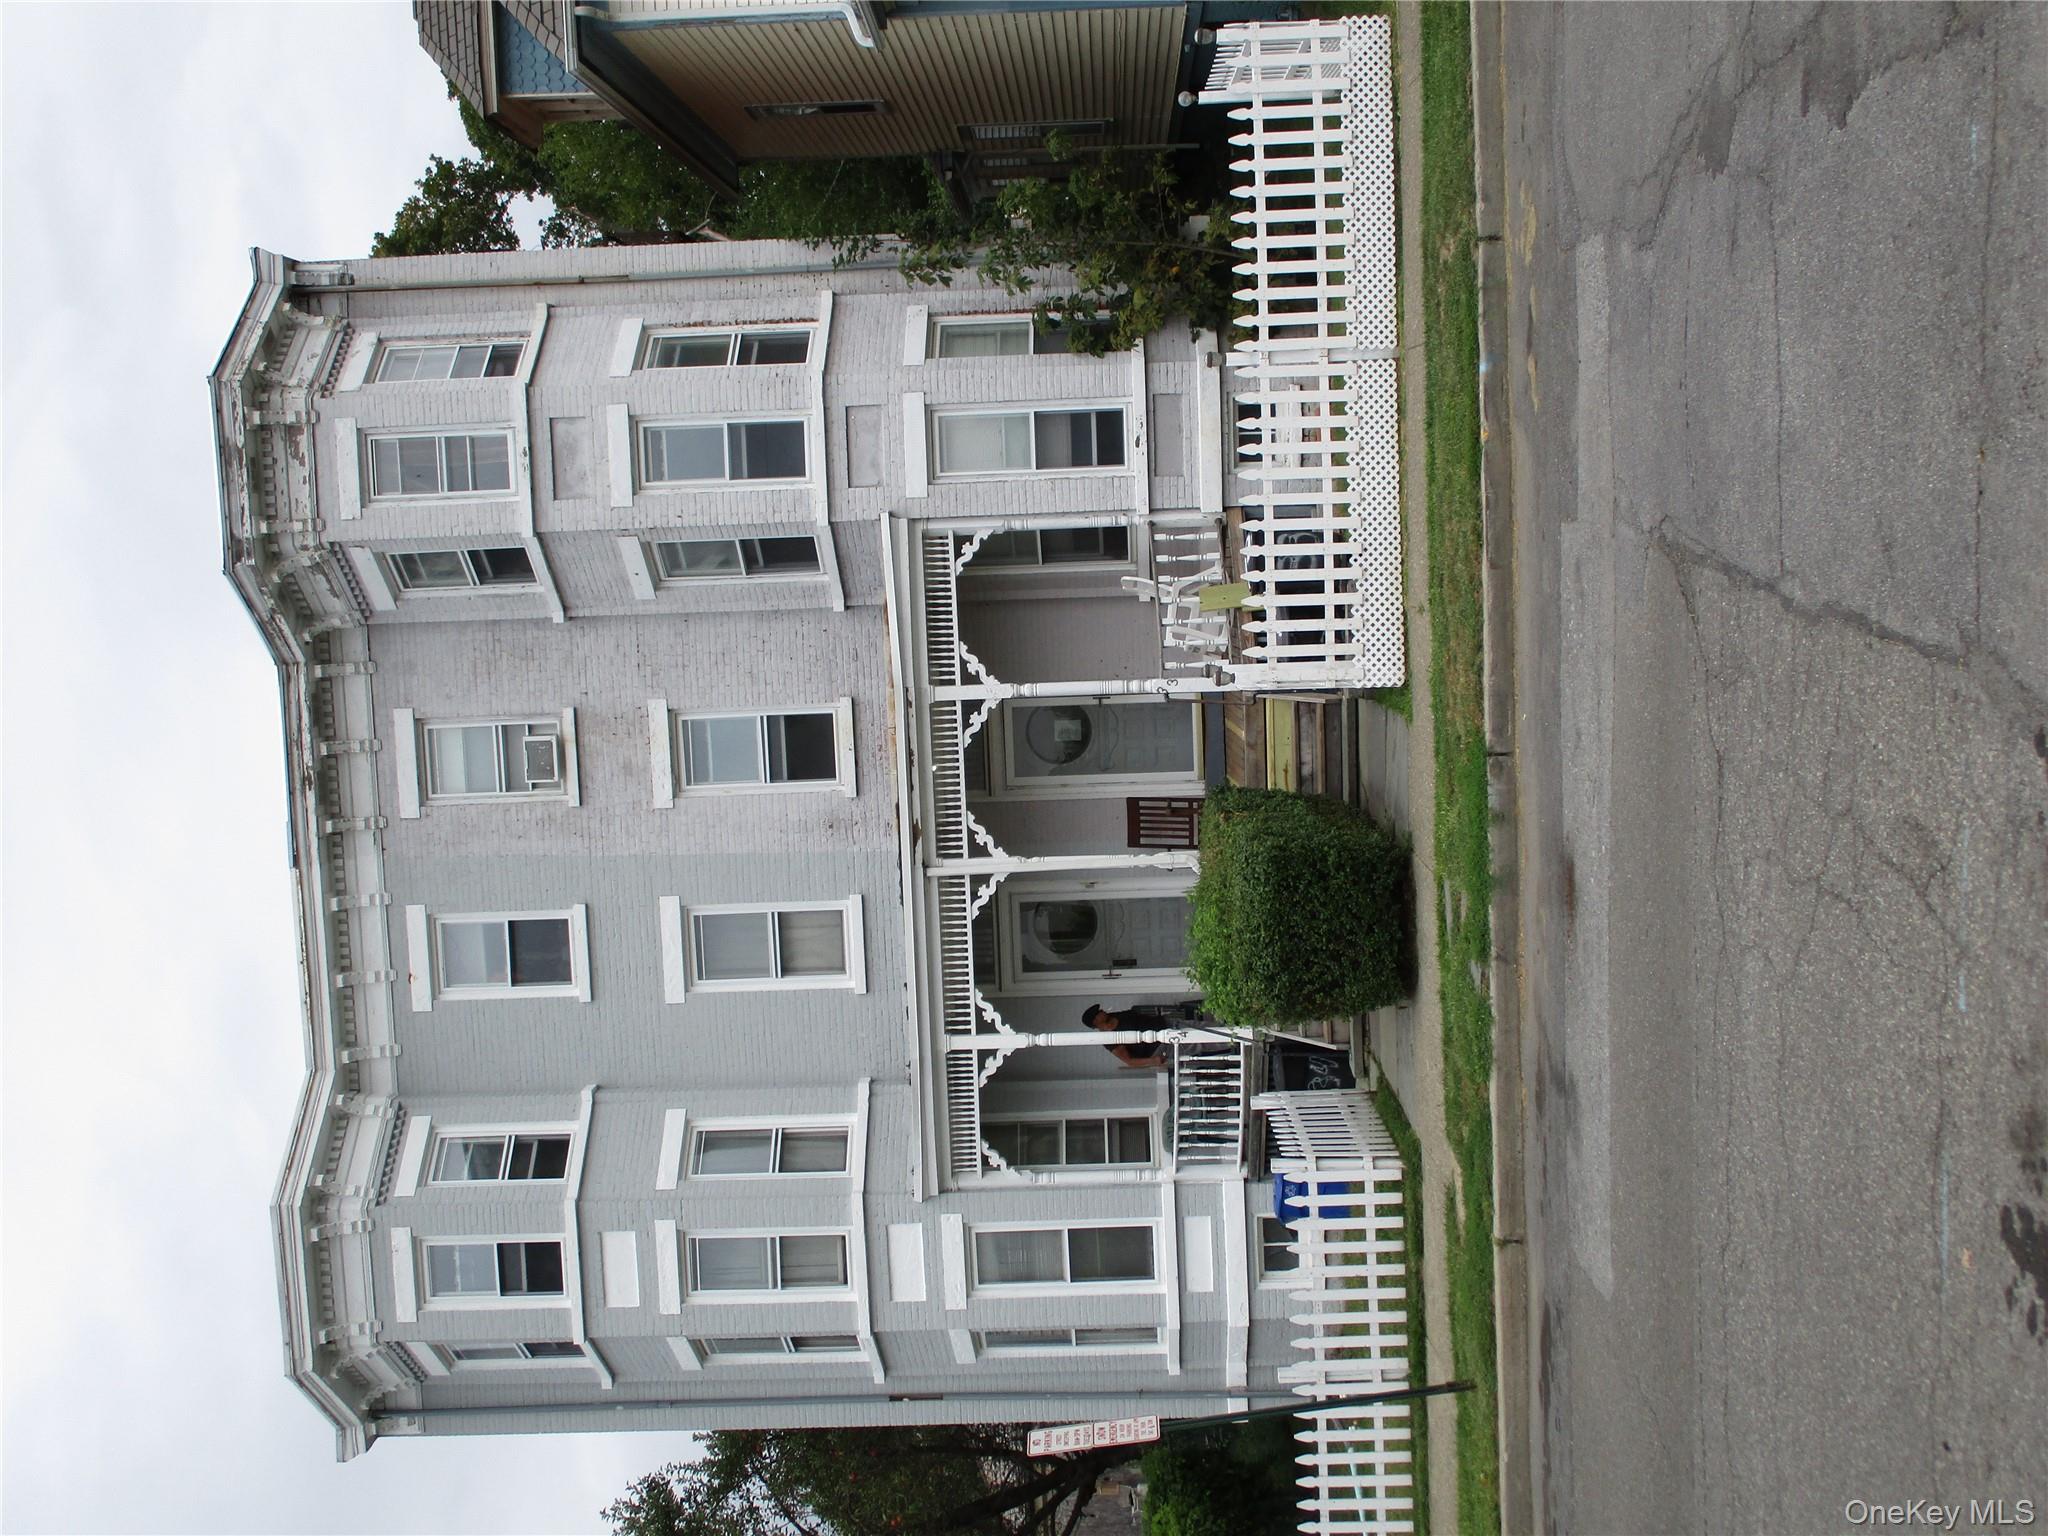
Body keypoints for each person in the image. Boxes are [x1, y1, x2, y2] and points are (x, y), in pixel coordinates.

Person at [1083, 1002, 1196, 1070]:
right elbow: (1129, 1061)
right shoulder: (1109, 1039)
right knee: (1197, 1044)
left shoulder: (1115, 1015)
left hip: (1165, 1023)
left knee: (1197, 1026)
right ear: (1096, 1021)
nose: (1102, 1010)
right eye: (1098, 1012)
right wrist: (1153, 1061)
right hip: (1161, 1045)